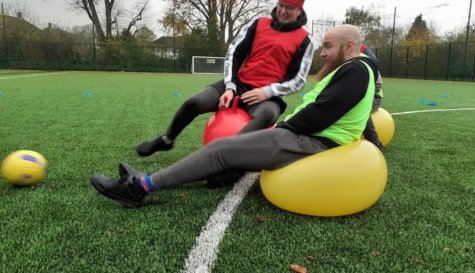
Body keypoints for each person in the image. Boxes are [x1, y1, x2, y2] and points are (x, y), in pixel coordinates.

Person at [91, 24, 378, 208]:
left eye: (328, 46)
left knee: (220, 149)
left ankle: (139, 187)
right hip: (308, 137)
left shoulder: (355, 70)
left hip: (310, 141)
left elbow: (320, 115)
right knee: (225, 151)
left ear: (349, 47)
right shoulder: (357, 71)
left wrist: (281, 128)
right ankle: (217, 170)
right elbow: (351, 113)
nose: (323, 53)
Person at [136, 0, 315, 157]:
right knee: (194, 102)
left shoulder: (305, 40)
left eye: (290, 8)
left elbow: (298, 80)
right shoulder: (259, 23)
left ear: (299, 10)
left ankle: (227, 162)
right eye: (280, 5)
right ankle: (167, 140)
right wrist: (230, 87)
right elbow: (233, 54)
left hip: (268, 96)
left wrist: (266, 92)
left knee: (266, 115)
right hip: (238, 85)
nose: (283, 11)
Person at [360, 44, 384, 151]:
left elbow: (378, 85)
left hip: (374, 98)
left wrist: (359, 95)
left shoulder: (365, 61)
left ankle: (375, 142)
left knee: (359, 107)